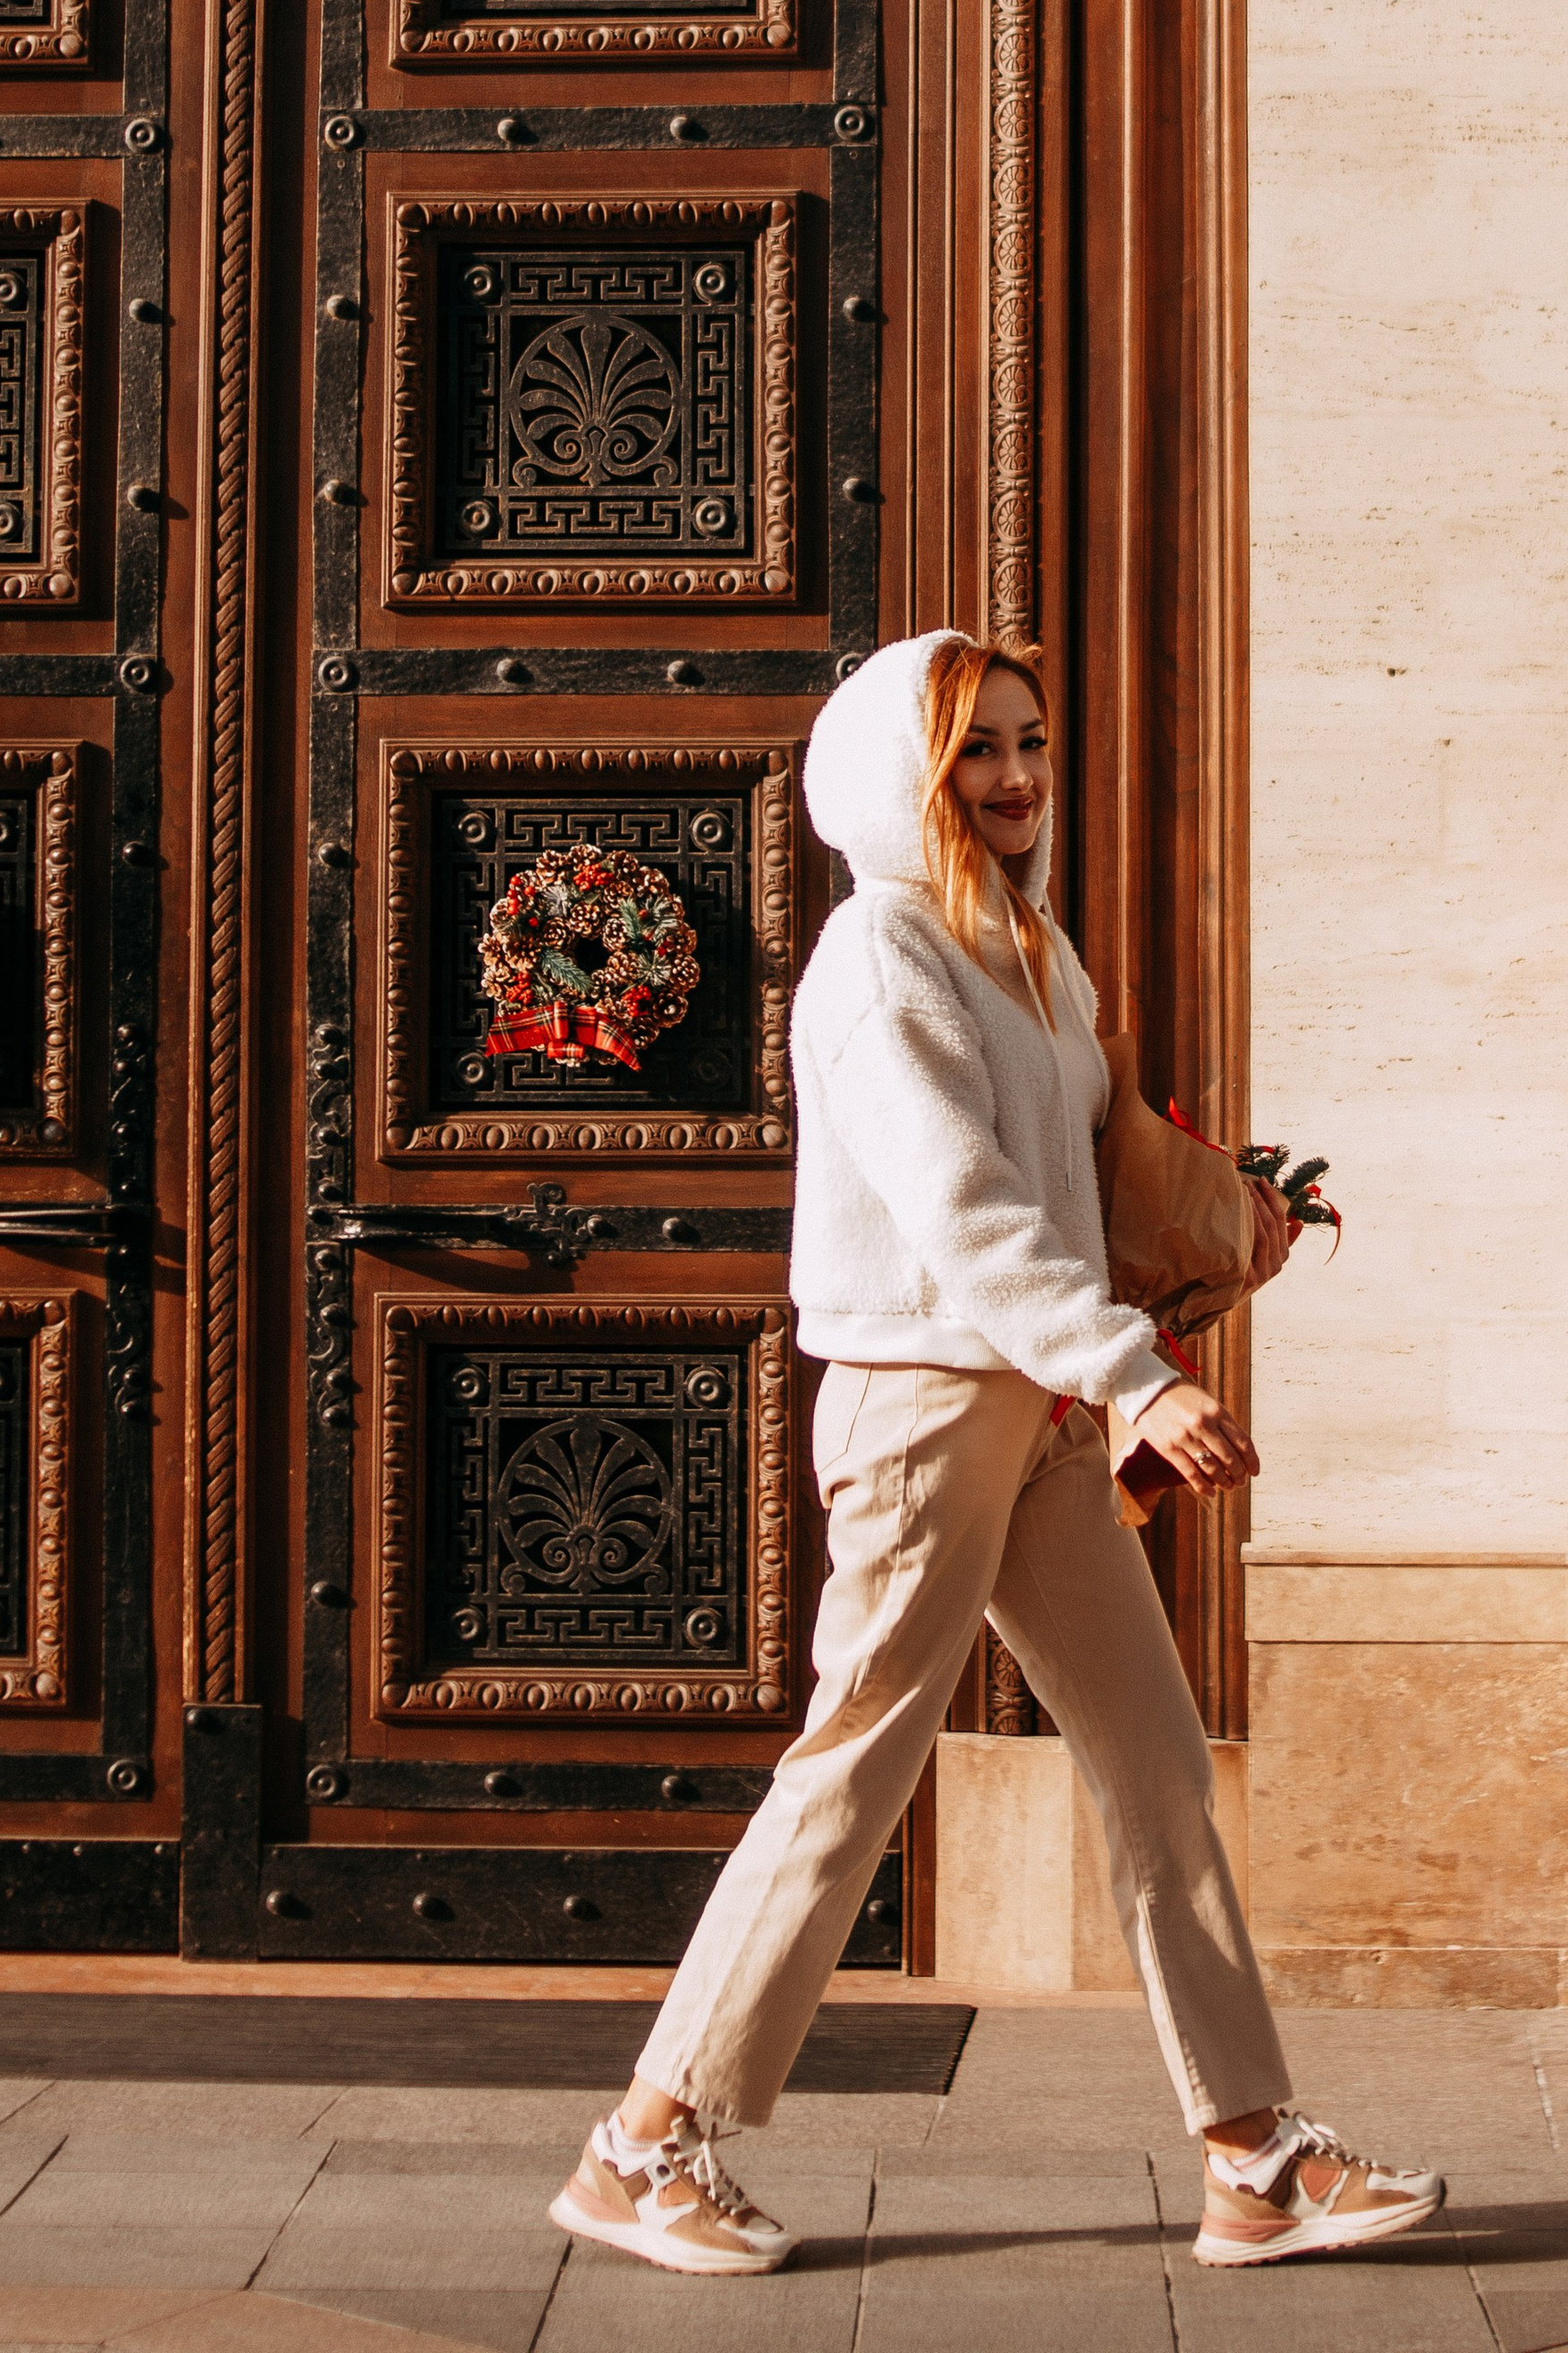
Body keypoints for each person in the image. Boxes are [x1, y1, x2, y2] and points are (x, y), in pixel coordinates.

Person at [548, 629, 1446, 2277]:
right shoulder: (878, 956)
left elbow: (1069, 1177)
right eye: (978, 750)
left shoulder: (1031, 948)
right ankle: (645, 2143)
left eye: (1031, 742)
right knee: (857, 1768)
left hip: (1028, 1414)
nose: (1019, 776)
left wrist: (1198, 1229)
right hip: (921, 1407)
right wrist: (1134, 1378)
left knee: (1158, 1764)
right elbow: (964, 1213)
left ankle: (1253, 2155)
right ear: (906, 771)